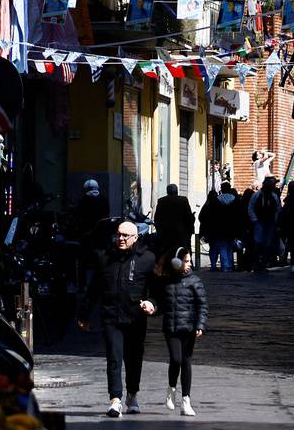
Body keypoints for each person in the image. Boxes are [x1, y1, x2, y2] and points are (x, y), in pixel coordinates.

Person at [78, 221, 158, 418]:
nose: (121, 239)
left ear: (135, 237)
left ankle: (132, 395)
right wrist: (84, 314)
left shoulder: (147, 259)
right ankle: (115, 400)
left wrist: (152, 303)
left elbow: (157, 291)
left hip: (136, 318)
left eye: (126, 235)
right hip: (111, 316)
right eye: (119, 235)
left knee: (134, 359)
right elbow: (94, 288)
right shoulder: (105, 257)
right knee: (114, 358)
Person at [155, 245, 209, 417]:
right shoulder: (165, 282)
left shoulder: (195, 281)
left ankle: (186, 401)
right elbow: (161, 305)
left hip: (189, 328)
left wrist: (200, 325)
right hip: (171, 327)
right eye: (185, 261)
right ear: (176, 262)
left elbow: (202, 305)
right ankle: (171, 389)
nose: (189, 264)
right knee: (175, 359)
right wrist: (152, 309)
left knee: (186, 362)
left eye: (189, 260)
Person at [201, 182, 241, 271]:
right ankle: (230, 265)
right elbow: (238, 216)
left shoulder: (215, 201)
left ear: (221, 190)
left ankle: (225, 266)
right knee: (230, 247)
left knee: (222, 247)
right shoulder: (236, 200)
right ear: (229, 189)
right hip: (232, 228)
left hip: (219, 228)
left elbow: (211, 216)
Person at [155, 183, 195, 268]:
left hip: (166, 233)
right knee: (183, 250)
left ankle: (166, 266)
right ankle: (186, 266)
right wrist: (190, 229)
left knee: (166, 251)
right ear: (177, 191)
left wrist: (159, 230)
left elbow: (157, 218)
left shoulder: (161, 201)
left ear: (167, 191)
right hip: (181, 232)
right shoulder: (183, 200)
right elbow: (188, 216)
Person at [247, 177, 282, 272]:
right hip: (260, 222)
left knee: (267, 243)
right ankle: (257, 263)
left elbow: (278, 209)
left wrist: (275, 220)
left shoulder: (273, 196)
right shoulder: (257, 195)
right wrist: (254, 220)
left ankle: (263, 263)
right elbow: (251, 207)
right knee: (258, 242)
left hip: (270, 222)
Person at [75, 178, 112, 257]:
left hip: (88, 232)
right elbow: (107, 212)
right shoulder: (103, 199)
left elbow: (79, 215)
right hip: (103, 232)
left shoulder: (83, 200)